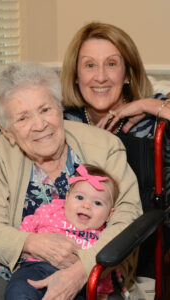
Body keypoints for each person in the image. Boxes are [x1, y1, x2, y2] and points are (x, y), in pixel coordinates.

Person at [0, 62, 142, 300]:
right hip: (11, 268)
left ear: (59, 109)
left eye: (45, 109)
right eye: (23, 118)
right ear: (7, 131)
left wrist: (84, 268)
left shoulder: (105, 146)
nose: (40, 125)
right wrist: (30, 242)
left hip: (93, 266)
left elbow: (128, 214)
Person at [60, 21, 170, 279]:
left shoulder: (152, 120)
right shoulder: (63, 119)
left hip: (135, 244)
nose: (100, 77)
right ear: (76, 76)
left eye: (111, 64)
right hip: (68, 238)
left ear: (128, 74)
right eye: (89, 65)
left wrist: (148, 104)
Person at [5, 164, 120, 300]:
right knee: (19, 290)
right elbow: (27, 227)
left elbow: (101, 269)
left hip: (76, 281)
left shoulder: (102, 236)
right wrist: (23, 247)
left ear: (109, 215)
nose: (86, 205)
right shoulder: (51, 211)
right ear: (67, 198)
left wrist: (102, 293)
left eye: (97, 203)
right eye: (80, 198)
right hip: (37, 267)